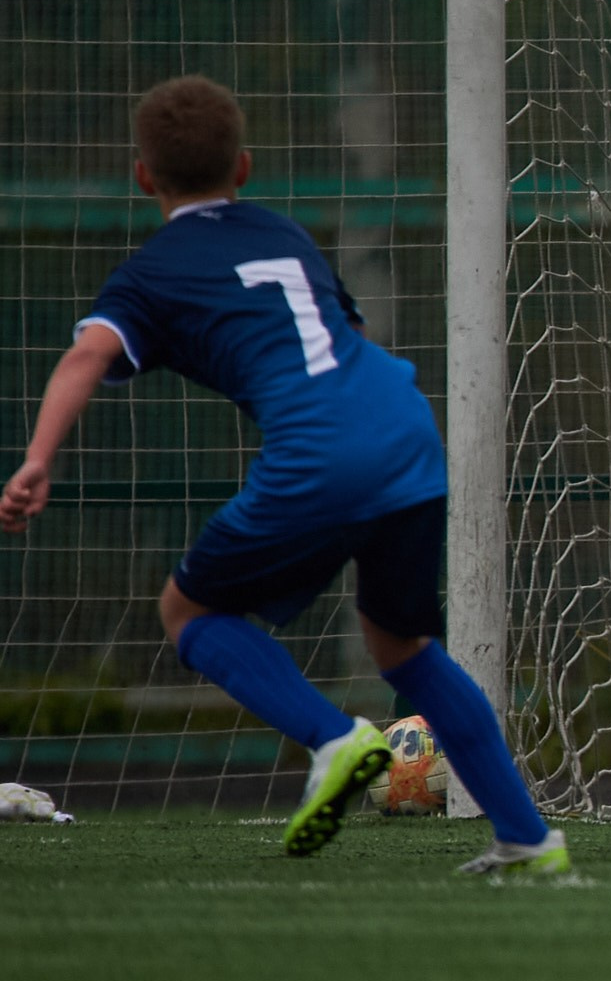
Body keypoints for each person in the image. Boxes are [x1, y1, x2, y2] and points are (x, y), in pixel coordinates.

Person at [0, 76, 568, 877]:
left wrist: (35, 460)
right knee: (403, 645)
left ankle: (337, 738)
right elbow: (347, 332)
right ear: (244, 167)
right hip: (405, 426)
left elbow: (87, 355)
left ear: (142, 177)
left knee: (188, 608)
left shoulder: (149, 272)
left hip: (320, 452)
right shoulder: (285, 234)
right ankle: (527, 835)